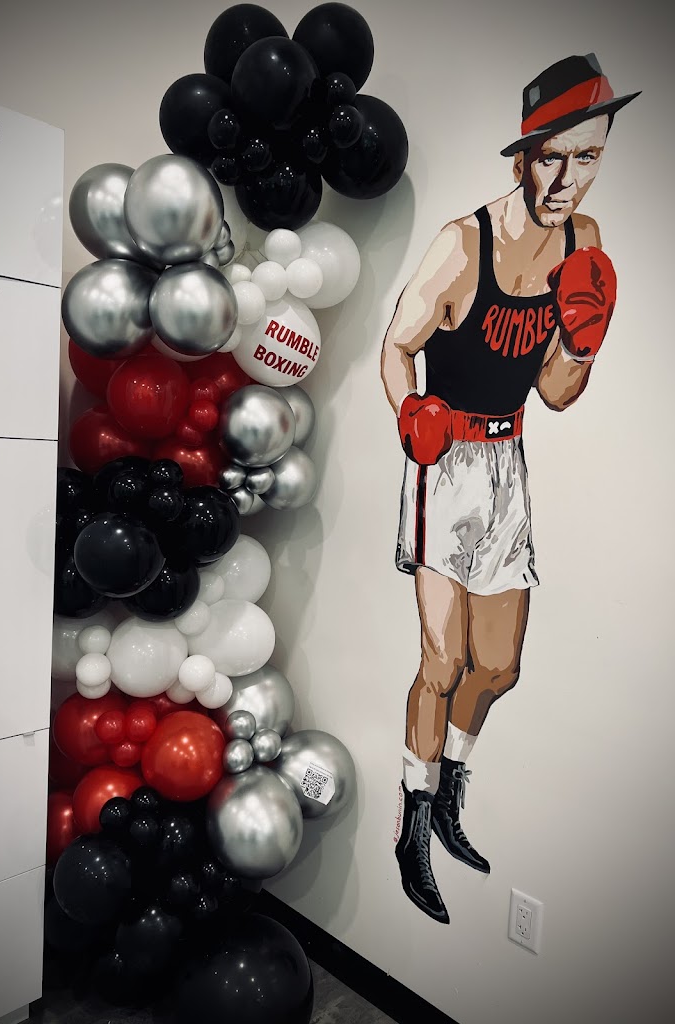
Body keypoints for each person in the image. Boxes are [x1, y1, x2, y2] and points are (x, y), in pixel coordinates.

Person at [380, 53, 638, 924]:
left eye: (588, 157)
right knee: (442, 662)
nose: (568, 180)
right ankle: (413, 823)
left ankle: (451, 791)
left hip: (507, 463)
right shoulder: (464, 244)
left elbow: (556, 393)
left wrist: (583, 341)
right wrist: (409, 410)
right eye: (553, 158)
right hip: (442, 462)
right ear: (524, 156)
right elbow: (397, 345)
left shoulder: (584, 242)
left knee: (499, 667)